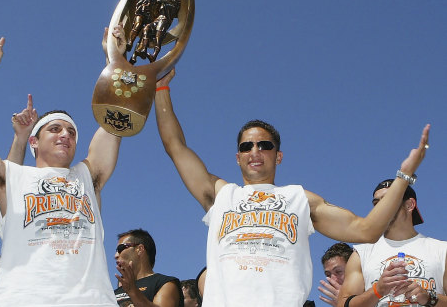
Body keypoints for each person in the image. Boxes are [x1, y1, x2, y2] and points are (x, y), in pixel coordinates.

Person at [153, 69, 430, 306]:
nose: (255, 150)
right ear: (237, 157)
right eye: (246, 146)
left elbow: (366, 230)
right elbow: (175, 146)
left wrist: (404, 175)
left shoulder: (300, 199)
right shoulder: (221, 194)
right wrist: (161, 87)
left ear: (279, 155)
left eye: (265, 145)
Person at [0, 31, 123, 306]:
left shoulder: (88, 176)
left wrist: (115, 59)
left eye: (72, 132)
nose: (66, 134)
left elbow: (116, 116)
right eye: (55, 129)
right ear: (34, 142)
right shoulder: (12, 177)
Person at [337, 180, 446, 307]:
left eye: (388, 200)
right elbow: (342, 304)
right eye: (376, 203)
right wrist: (377, 291)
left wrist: (429, 298)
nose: (380, 208)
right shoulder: (361, 254)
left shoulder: (442, 250)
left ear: (410, 205)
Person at [114, 229, 182, 307]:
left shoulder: (164, 283)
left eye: (120, 248)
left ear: (140, 249)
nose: (116, 255)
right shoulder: (113, 293)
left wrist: (133, 291)